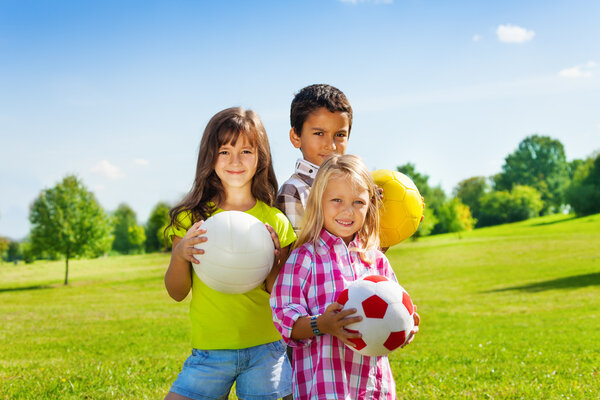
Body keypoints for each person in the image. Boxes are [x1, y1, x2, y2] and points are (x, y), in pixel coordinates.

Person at [163, 107, 296, 400]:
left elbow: (282, 296)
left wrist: (274, 265)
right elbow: (176, 292)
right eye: (224, 151)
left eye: (246, 151)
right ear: (210, 157)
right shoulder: (191, 219)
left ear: (260, 157)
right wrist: (181, 255)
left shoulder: (275, 221)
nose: (235, 161)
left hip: (266, 350)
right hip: (210, 352)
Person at [270, 154, 420, 400]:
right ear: (318, 202)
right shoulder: (304, 258)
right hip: (326, 385)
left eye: (358, 202)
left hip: (374, 386)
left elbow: (395, 310)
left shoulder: (376, 259)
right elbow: (284, 319)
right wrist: (323, 324)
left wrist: (405, 324)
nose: (347, 211)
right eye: (336, 200)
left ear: (369, 204)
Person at [275, 83, 353, 236]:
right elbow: (297, 253)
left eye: (340, 135)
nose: (331, 146)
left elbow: (364, 251)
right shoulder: (294, 191)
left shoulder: (354, 189)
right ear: (296, 137)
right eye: (319, 133)